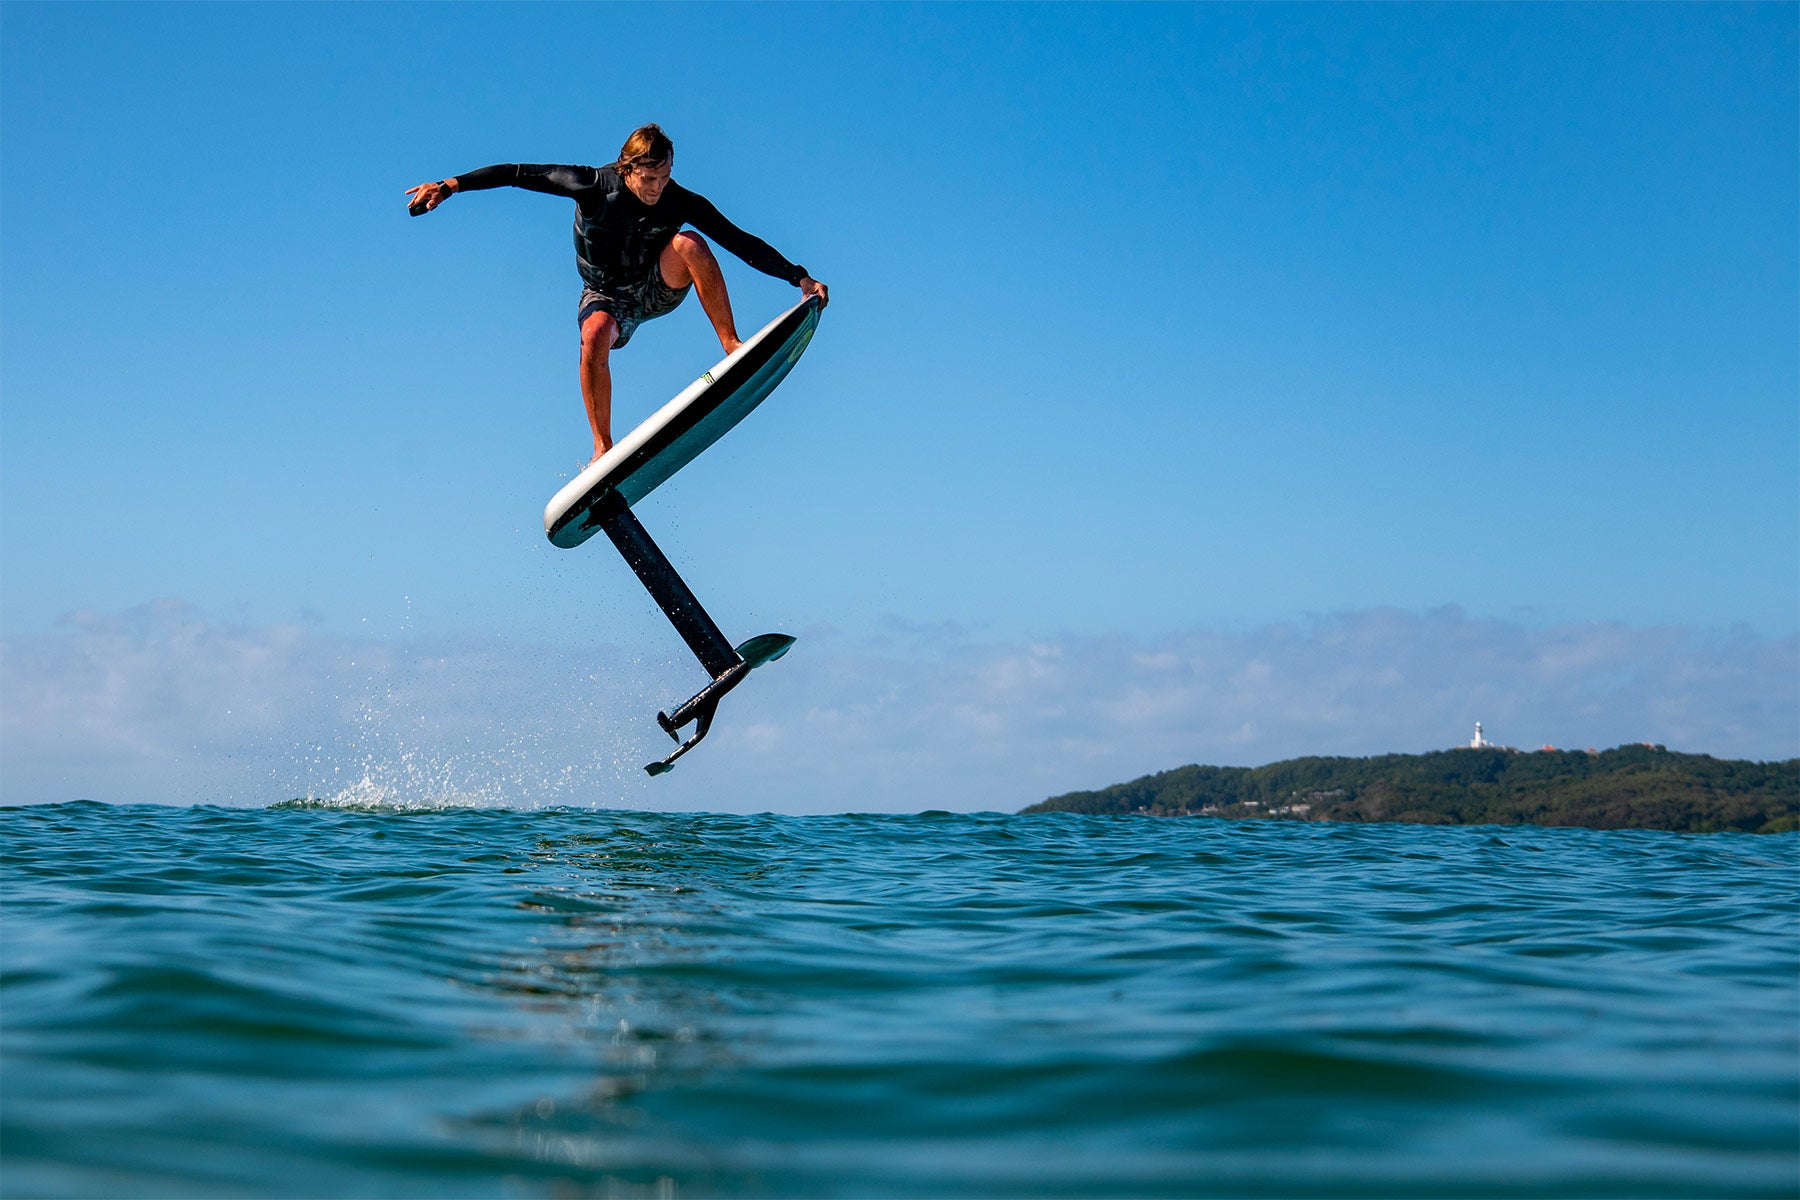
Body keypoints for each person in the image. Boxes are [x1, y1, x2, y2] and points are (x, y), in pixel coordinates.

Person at [407, 124, 828, 465]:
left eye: (664, 177)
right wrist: (449, 186)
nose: (657, 188)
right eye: (649, 179)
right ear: (627, 168)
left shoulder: (678, 200)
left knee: (691, 243)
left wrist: (800, 278)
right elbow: (519, 174)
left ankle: (730, 344)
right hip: (605, 293)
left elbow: (739, 241)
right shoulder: (590, 185)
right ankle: (602, 445)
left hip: (656, 287)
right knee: (594, 333)